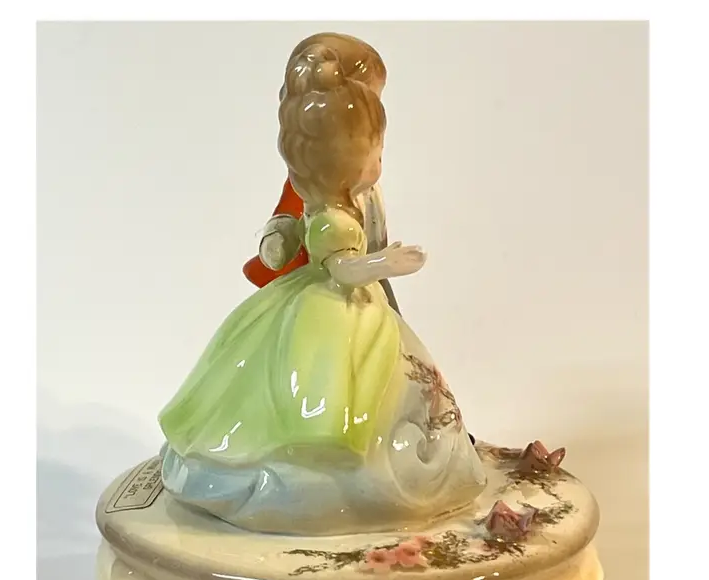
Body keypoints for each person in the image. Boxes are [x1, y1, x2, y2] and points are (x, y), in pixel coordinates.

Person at [158, 41, 486, 535]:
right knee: (324, 382)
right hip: (332, 307)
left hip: (354, 300)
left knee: (389, 381)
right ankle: (320, 471)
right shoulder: (321, 192)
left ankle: (403, 451)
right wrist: (378, 261)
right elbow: (333, 257)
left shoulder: (351, 190)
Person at [243, 32, 402, 315]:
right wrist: (278, 237)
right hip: (327, 293)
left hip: (367, 285)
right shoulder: (313, 188)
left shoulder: (366, 189)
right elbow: (288, 220)